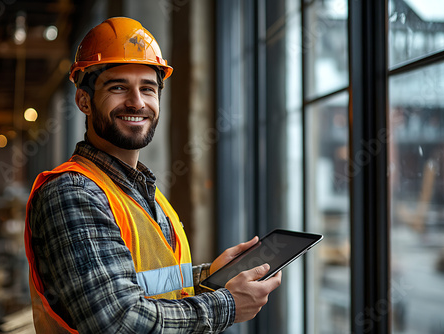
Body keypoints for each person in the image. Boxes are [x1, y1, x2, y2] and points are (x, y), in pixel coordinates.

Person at [24, 17, 282, 333]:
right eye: (118, 87)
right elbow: (119, 323)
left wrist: (209, 276)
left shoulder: (143, 193)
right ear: (83, 100)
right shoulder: (72, 193)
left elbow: (142, 284)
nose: (137, 102)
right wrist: (227, 304)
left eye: (148, 88)